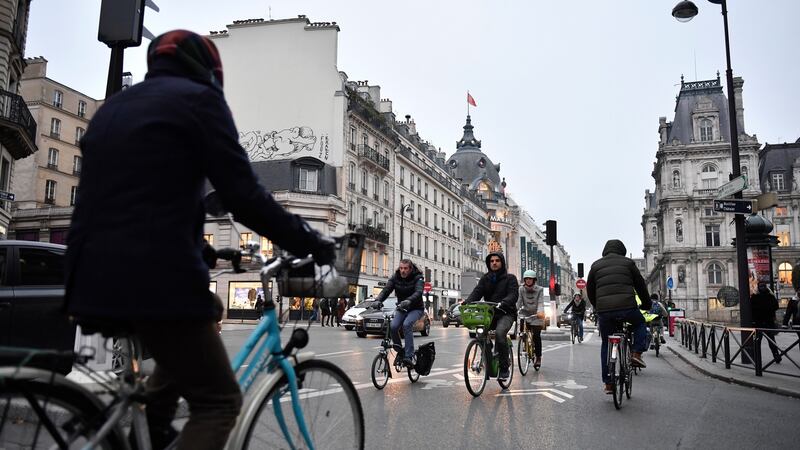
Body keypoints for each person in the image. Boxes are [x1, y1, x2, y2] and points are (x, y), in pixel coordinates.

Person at [64, 29, 336, 450]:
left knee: (207, 309)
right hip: (154, 276)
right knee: (219, 401)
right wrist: (312, 242)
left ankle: (154, 426)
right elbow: (245, 196)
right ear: (210, 69)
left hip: (86, 273)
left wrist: (207, 250)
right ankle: (160, 426)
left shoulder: (113, 109)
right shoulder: (199, 102)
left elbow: (140, 202)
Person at [586, 239, 651, 394]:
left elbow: (590, 290)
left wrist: (597, 306)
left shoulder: (595, 265)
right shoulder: (628, 264)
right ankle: (636, 353)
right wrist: (646, 304)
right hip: (627, 308)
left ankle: (608, 383)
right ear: (621, 250)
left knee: (606, 344)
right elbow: (640, 285)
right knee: (640, 324)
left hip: (605, 312)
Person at [464, 252, 519, 381]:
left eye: (497, 260)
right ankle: (489, 359)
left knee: (500, 334)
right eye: (491, 261)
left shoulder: (510, 278)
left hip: (506, 313)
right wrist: (467, 302)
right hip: (490, 314)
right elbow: (477, 292)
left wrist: (505, 302)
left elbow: (513, 294)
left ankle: (504, 368)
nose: (494, 263)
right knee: (480, 334)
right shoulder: (485, 278)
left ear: (502, 262)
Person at [373, 259, 425, 366]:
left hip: (416, 308)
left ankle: (409, 355)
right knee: (393, 326)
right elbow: (386, 290)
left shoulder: (418, 277)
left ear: (410, 269)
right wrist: (378, 300)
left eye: (405, 268)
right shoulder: (395, 277)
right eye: (401, 268)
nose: (403, 271)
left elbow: (418, 292)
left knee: (407, 324)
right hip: (402, 308)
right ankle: (400, 351)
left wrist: (409, 301)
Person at [517, 270, 544, 369]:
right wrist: (514, 310)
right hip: (525, 314)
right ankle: (524, 345)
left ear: (534, 280)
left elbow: (540, 302)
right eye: (526, 279)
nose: (528, 281)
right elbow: (519, 302)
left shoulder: (540, 289)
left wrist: (540, 312)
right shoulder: (521, 289)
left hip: (537, 315)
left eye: (530, 279)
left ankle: (538, 357)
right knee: (522, 332)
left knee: (536, 336)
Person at [751, 282, 782, 364]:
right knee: (758, 341)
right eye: (761, 286)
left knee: (771, 341)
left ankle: (776, 356)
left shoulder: (770, 296)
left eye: (763, 286)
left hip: (767, 321)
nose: (762, 287)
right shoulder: (755, 296)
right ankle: (758, 358)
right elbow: (752, 309)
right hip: (759, 322)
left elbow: (776, 306)